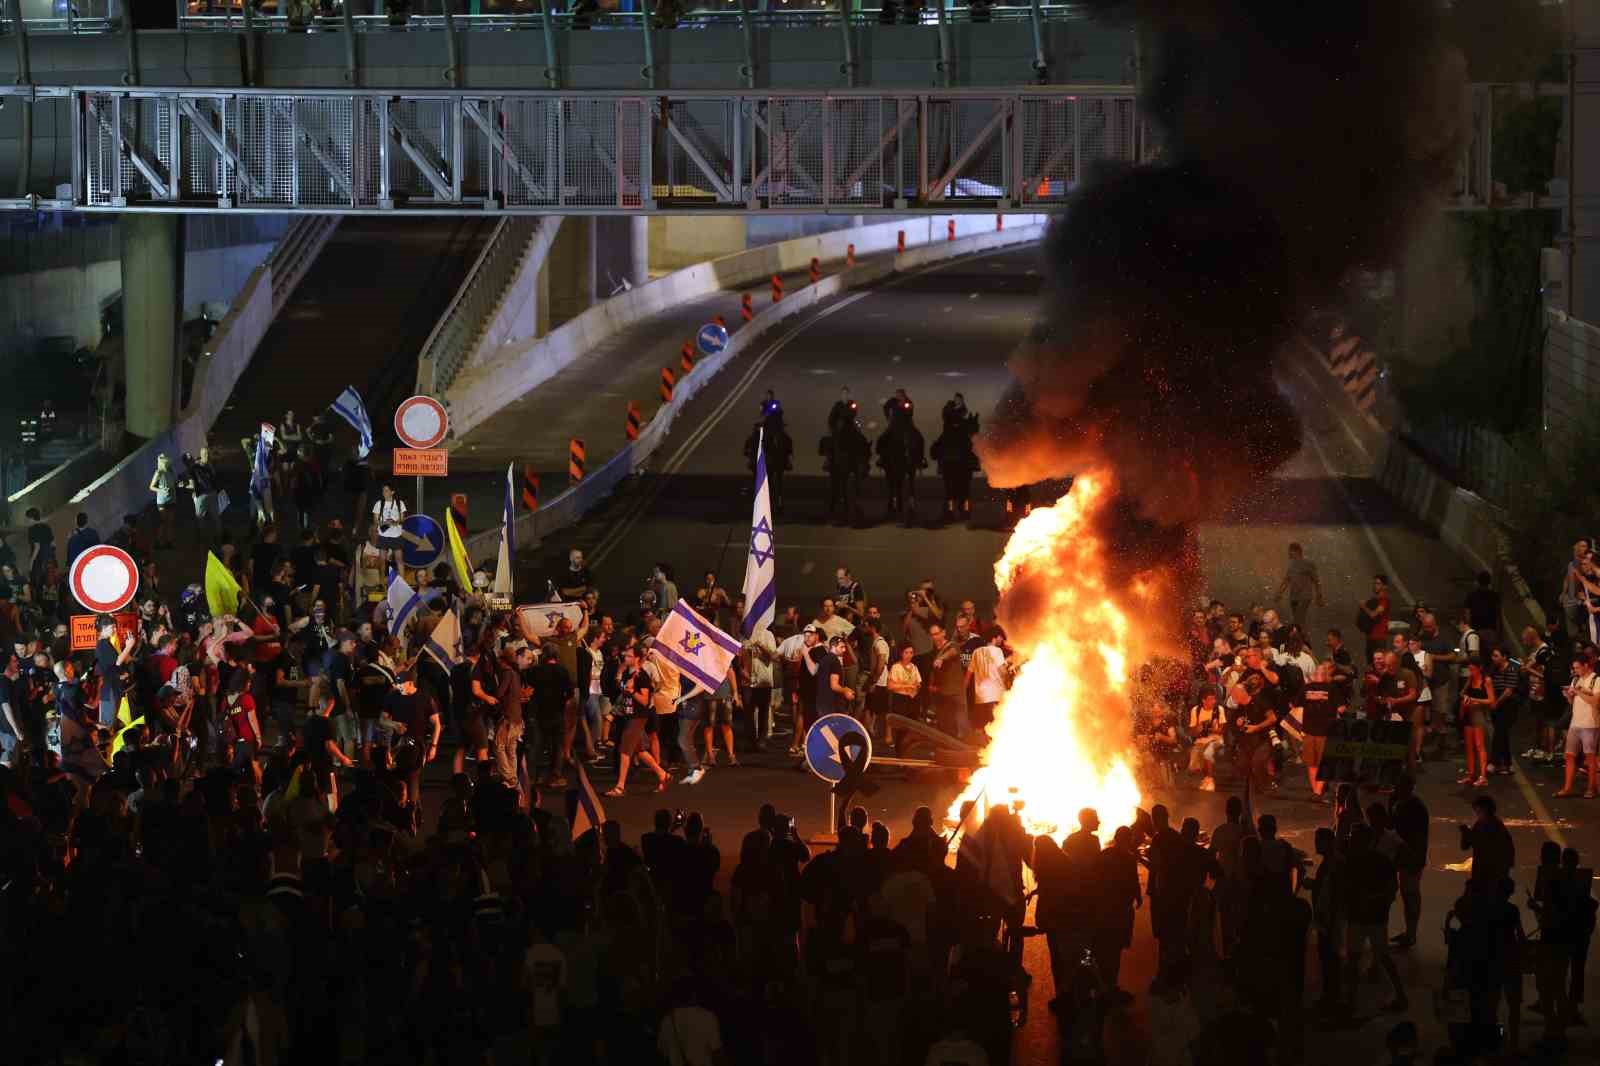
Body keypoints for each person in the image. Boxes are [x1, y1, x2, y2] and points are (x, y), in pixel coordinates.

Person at [1388, 774, 1429, 949]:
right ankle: (1409, 932)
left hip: (1410, 857)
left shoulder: (1414, 807)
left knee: (1410, 894)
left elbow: (1411, 835)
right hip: (1403, 855)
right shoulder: (1400, 802)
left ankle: (1411, 933)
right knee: (1407, 894)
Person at [1559, 647, 1600, 798]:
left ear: (1586, 665)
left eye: (1577, 667)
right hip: (1575, 723)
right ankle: (1567, 787)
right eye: (1574, 668)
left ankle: (1591, 788)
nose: (1575, 671)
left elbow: (1595, 702)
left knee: (1590, 758)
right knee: (1569, 755)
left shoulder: (1596, 680)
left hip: (1590, 724)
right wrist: (1568, 696)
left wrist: (1578, 692)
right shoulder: (1576, 679)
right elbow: (1573, 702)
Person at [1461, 794, 1515, 889]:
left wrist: (1467, 834)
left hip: (1490, 871)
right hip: (1483, 870)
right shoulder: (1481, 824)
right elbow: (1466, 845)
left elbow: (1481, 844)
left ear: (1485, 808)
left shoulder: (1493, 825)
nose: (1476, 813)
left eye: (1478, 810)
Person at [1458, 658, 1493, 787]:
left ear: (1480, 668)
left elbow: (1491, 700)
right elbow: (1462, 692)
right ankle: (1470, 774)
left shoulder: (1486, 681)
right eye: (1469, 669)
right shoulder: (1470, 679)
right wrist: (1465, 697)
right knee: (1469, 746)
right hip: (1468, 712)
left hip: (1478, 714)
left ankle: (1483, 776)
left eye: (1473, 669)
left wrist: (1475, 700)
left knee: (1479, 745)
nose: (1471, 671)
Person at [1275, 542, 1324, 632]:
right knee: (1299, 622)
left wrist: (1319, 596)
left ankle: (1303, 643)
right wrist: (1279, 593)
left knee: (1298, 620)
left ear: (1296, 551)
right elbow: (1286, 580)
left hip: (1304, 597)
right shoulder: (1291, 565)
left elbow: (1316, 580)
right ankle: (1301, 641)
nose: (1288, 554)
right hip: (1294, 597)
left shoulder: (1308, 563)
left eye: (1290, 551)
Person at [372, 484, 408, 569]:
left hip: (396, 535)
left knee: (399, 560)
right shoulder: (379, 503)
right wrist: (385, 523)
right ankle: (382, 582)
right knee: (382, 560)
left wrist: (395, 522)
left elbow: (402, 519)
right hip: (383, 535)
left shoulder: (399, 503)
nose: (384, 493)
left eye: (386, 490)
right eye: (383, 490)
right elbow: (375, 521)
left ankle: (402, 581)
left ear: (392, 492)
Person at [1358, 574, 1391, 664]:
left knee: (1379, 665)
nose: (1375, 586)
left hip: (1379, 638)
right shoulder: (1374, 600)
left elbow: (1374, 615)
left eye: (1378, 583)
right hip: (1370, 637)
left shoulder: (1384, 600)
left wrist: (1364, 607)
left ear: (1385, 586)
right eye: (1374, 583)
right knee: (1371, 664)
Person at [149, 453, 177, 549]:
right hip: (162, 500)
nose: (165, 463)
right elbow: (151, 487)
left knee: (170, 522)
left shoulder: (170, 470)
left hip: (172, 499)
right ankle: (159, 541)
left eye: (165, 461)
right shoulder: (158, 472)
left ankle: (168, 541)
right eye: (163, 461)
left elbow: (174, 482)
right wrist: (161, 490)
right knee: (164, 521)